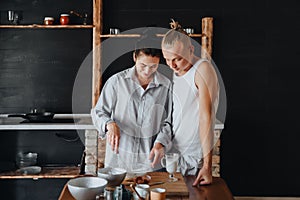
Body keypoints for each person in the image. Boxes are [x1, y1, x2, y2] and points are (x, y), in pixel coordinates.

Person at [91, 33, 172, 174]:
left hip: (150, 162)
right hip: (119, 162)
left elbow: (169, 121)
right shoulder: (116, 82)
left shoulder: (166, 86)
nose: (147, 71)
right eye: (143, 65)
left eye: (153, 66)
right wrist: (109, 124)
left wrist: (161, 143)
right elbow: (98, 112)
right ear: (135, 57)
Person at [160, 20, 220, 186]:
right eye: (167, 59)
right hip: (176, 153)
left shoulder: (202, 69)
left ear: (191, 49)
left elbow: (206, 117)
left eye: (177, 59)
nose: (172, 65)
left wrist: (207, 165)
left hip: (195, 157)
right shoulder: (176, 72)